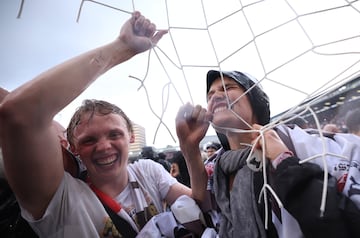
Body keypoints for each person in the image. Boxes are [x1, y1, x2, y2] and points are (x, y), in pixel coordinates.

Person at [0, 12, 208, 237]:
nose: (104, 147)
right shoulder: (60, 199)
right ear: (74, 148)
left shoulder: (147, 171)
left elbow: (199, 206)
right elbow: (20, 112)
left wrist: (190, 149)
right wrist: (122, 47)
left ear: (131, 137)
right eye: (89, 140)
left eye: (114, 134)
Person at [175, 70, 360, 238]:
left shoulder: (305, 143)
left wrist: (283, 160)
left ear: (254, 99)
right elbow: (201, 210)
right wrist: (189, 150)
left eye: (227, 88)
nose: (215, 97)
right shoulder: (214, 167)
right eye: (210, 94)